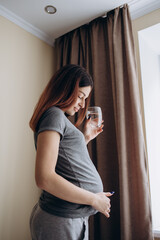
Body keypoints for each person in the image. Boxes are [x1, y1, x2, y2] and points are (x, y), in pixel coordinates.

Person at [29, 64, 113, 240]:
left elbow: (64, 155)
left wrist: (85, 137)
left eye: (85, 98)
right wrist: (93, 199)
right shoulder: (54, 115)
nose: (83, 105)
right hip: (60, 219)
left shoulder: (57, 118)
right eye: (80, 96)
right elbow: (44, 178)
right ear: (65, 89)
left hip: (70, 218)